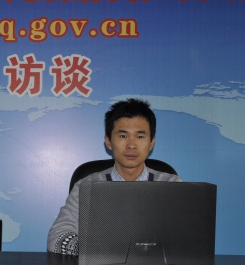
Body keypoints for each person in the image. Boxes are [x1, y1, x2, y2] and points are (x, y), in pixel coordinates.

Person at [47, 98, 182, 255]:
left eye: (140, 137)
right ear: (108, 142)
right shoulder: (87, 187)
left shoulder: (172, 185)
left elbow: (188, 237)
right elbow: (56, 238)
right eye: (123, 136)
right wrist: (95, 251)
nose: (131, 145)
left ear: (151, 142)